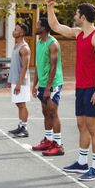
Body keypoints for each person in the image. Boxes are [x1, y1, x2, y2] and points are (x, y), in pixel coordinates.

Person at [46, 0, 95, 181]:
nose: (74, 16)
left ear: (82, 16)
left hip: (94, 88)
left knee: (93, 127)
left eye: (76, 13)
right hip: (81, 87)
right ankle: (82, 162)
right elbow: (56, 27)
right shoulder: (78, 33)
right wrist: (50, 8)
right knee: (81, 125)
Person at [31, 17, 65, 156]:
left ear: (44, 28)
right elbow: (39, 65)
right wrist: (35, 84)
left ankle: (58, 145)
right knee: (45, 112)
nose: (35, 27)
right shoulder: (39, 43)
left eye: (38, 25)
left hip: (53, 84)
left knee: (53, 112)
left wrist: (48, 88)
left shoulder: (53, 44)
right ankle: (48, 140)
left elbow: (53, 67)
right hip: (43, 83)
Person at [7, 23, 31, 138]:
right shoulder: (16, 46)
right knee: (18, 104)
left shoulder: (24, 48)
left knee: (22, 104)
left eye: (16, 30)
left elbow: (25, 67)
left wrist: (19, 84)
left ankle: (24, 129)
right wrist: (10, 80)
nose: (13, 32)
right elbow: (15, 65)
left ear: (21, 33)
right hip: (15, 80)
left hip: (21, 82)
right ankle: (20, 125)